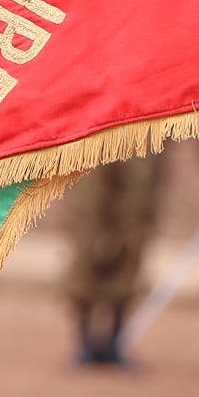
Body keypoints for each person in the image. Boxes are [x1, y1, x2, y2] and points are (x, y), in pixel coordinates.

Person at [63, 156, 160, 366]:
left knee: (132, 226)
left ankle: (116, 340)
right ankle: (83, 340)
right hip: (91, 134)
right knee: (87, 228)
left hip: (139, 133)